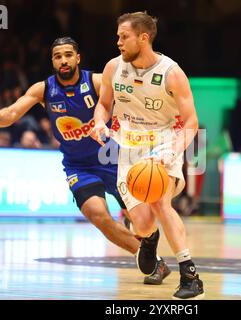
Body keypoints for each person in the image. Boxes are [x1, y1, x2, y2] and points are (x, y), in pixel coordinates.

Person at [0, 37, 170, 285]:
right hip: (79, 166)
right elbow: (12, 112)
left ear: (77, 58)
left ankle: (140, 230)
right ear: (53, 61)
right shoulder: (43, 89)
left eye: (68, 55)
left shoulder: (97, 81)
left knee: (143, 220)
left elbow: (132, 97)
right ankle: (153, 261)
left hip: (114, 159)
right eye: (58, 56)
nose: (63, 60)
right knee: (97, 214)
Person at [91, 12, 204, 299]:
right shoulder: (113, 67)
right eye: (118, 36)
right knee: (141, 222)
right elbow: (104, 104)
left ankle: (190, 275)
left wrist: (172, 152)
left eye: (123, 36)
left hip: (163, 141)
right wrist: (101, 122)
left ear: (144, 38)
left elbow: (191, 123)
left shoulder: (172, 73)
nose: (118, 42)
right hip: (127, 145)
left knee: (159, 202)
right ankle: (150, 238)